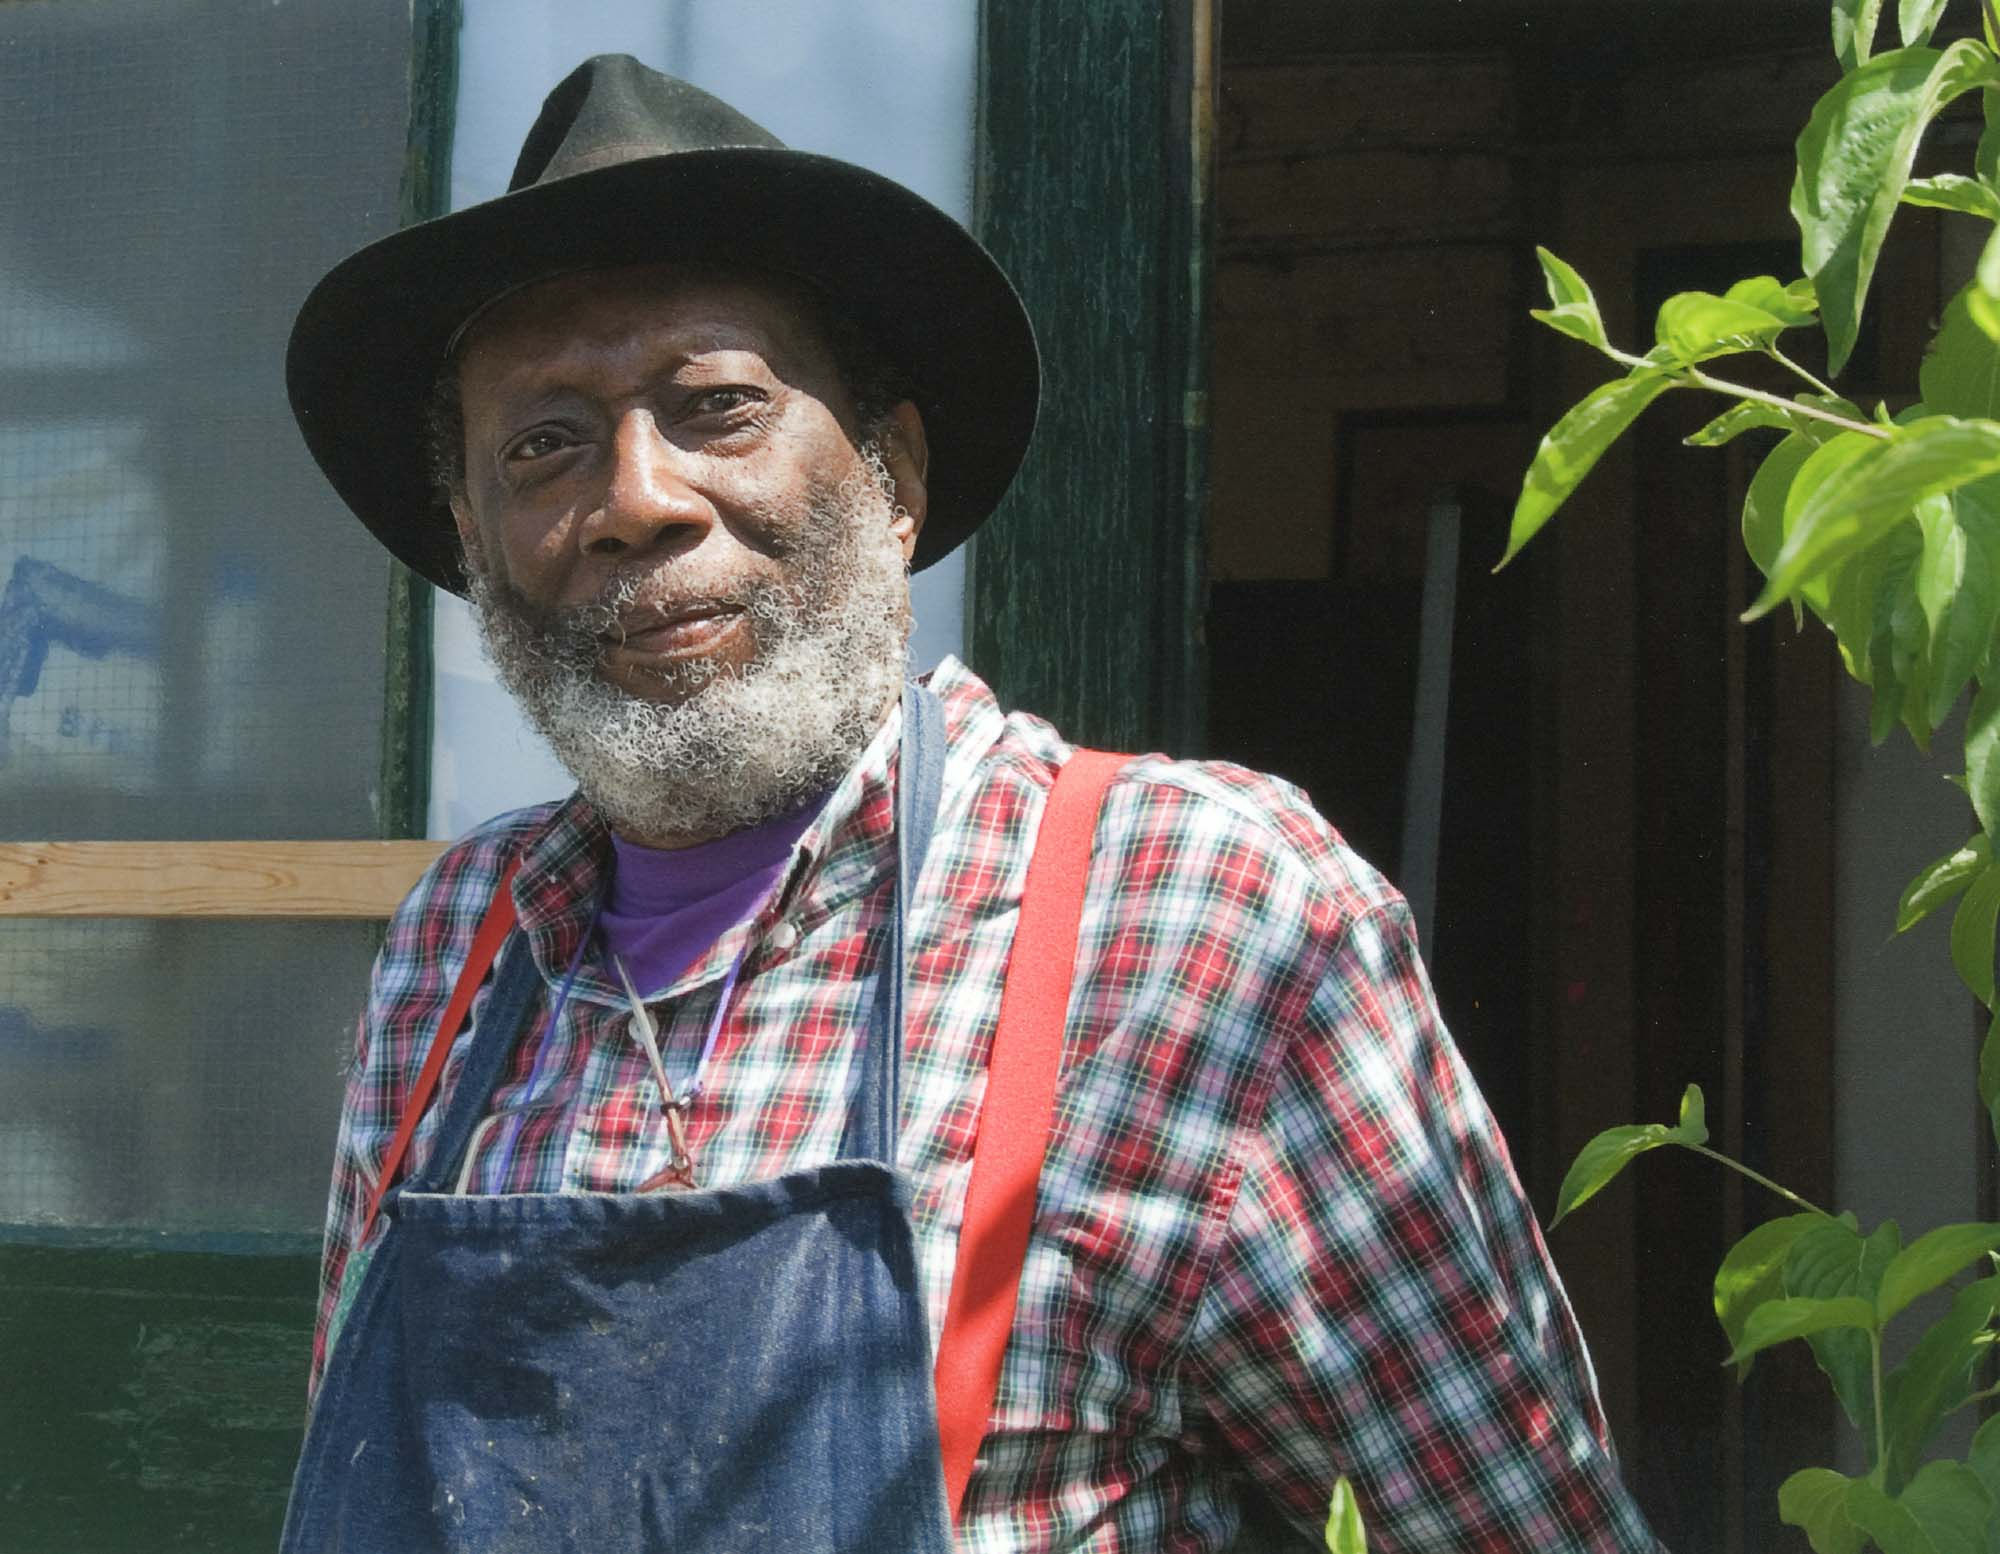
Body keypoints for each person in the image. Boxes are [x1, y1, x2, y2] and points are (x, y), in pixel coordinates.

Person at [281, 54, 1661, 1554]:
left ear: (895, 477)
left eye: (719, 405)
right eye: (543, 443)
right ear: (477, 540)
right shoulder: (455, 953)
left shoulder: (1202, 911)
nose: (638, 495)